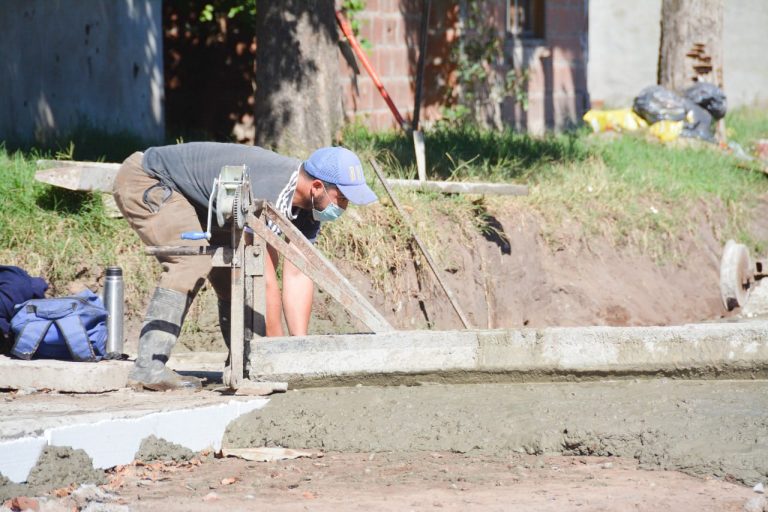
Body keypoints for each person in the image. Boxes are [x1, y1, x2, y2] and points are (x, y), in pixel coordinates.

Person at [113, 143, 377, 391]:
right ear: (317, 186)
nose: (344, 206)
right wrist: (278, 356)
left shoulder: (308, 207)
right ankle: (148, 367)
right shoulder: (272, 189)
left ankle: (243, 363)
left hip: (201, 201)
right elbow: (262, 277)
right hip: (149, 179)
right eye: (341, 198)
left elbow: (298, 272)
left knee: (233, 276)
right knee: (192, 259)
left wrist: (299, 349)